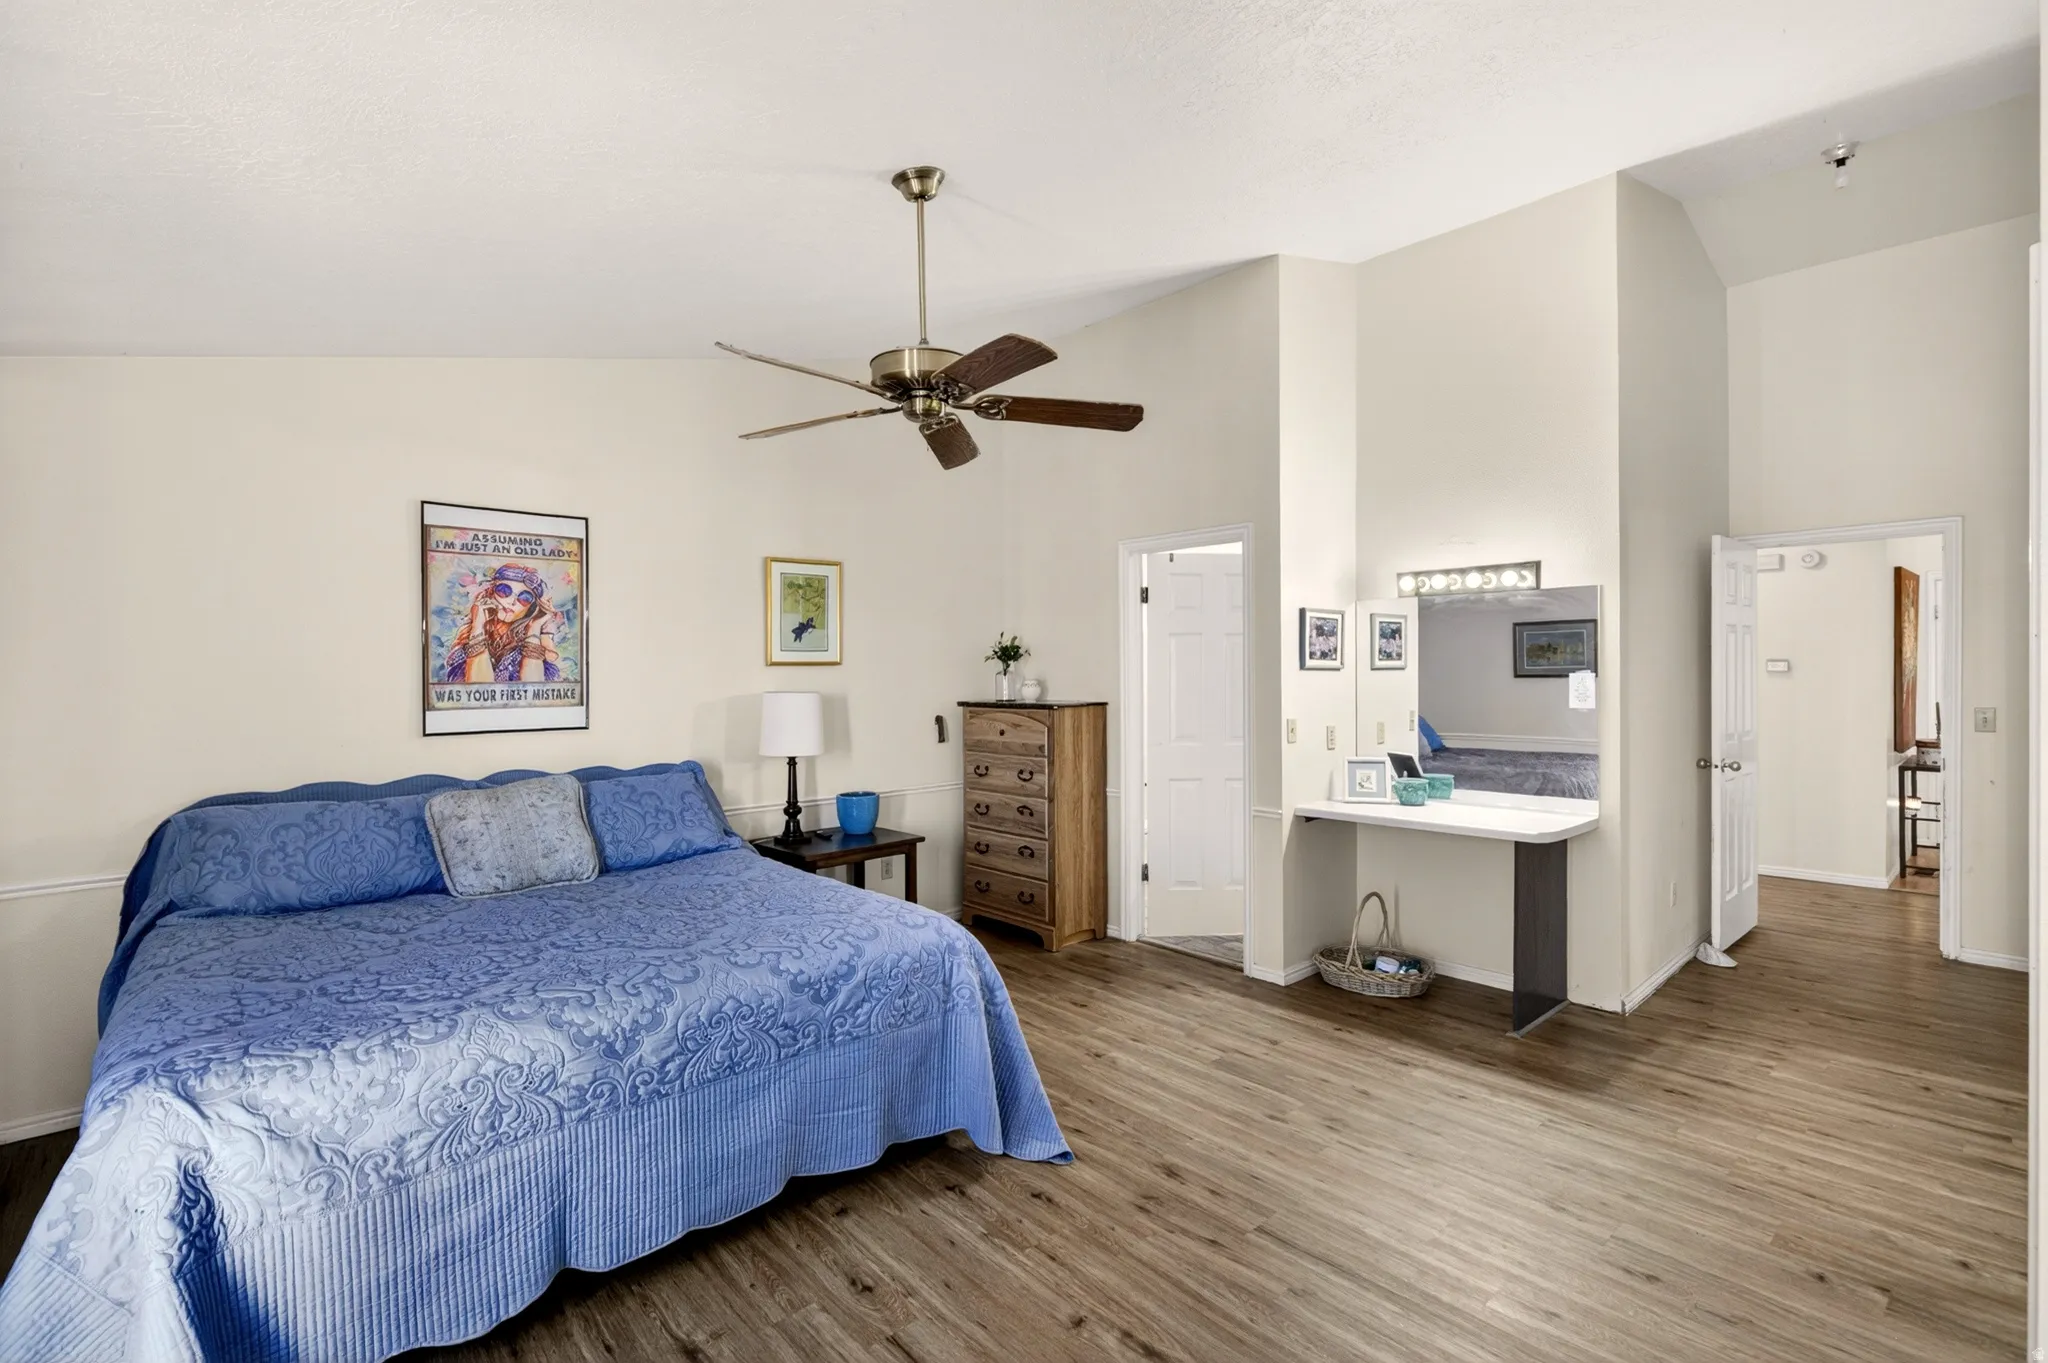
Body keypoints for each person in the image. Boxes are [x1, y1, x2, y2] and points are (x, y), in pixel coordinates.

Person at [444, 564, 563, 684]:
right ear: (491, 592)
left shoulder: (533, 642)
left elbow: (533, 689)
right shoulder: (467, 641)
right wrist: (478, 625)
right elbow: (479, 689)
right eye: (504, 590)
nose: (512, 601)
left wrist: (535, 627)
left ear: (531, 608)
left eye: (525, 598)